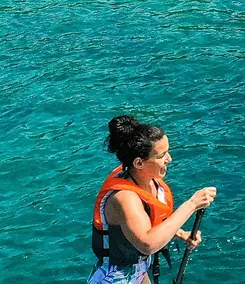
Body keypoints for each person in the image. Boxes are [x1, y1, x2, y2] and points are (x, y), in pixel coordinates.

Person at [91, 115, 216, 284]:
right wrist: (192, 204)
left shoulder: (149, 182)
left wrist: (180, 233)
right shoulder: (124, 198)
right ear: (139, 163)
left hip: (137, 271)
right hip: (114, 277)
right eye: (162, 155)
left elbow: (145, 223)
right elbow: (147, 243)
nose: (169, 159)